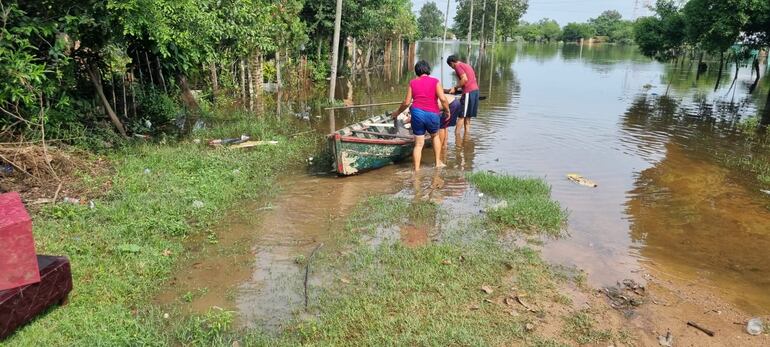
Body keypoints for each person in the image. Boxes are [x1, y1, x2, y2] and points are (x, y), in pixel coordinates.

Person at [391, 60, 451, 171]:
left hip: (417, 114)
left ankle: (416, 170)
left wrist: (397, 113)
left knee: (418, 144)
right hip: (432, 114)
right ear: (428, 70)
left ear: (417, 71)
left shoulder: (413, 83)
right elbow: (443, 99)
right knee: (435, 136)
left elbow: (406, 102)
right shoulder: (435, 81)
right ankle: (438, 163)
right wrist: (447, 111)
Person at [446, 55, 480, 140]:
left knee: (461, 116)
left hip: (469, 92)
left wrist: (455, 88)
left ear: (452, 63)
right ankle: (466, 138)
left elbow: (464, 79)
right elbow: (470, 79)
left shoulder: (458, 66)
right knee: (467, 117)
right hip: (475, 91)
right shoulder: (466, 65)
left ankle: (456, 136)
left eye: (451, 66)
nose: (452, 68)